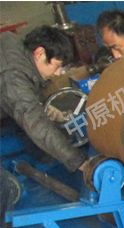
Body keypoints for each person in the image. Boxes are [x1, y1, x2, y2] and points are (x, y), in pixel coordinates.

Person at [0, 26, 87, 172]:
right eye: (57, 66)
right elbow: (34, 121)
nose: (58, 73)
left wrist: (44, 107)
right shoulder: (13, 76)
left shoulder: (16, 48)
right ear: (40, 53)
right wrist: (79, 162)